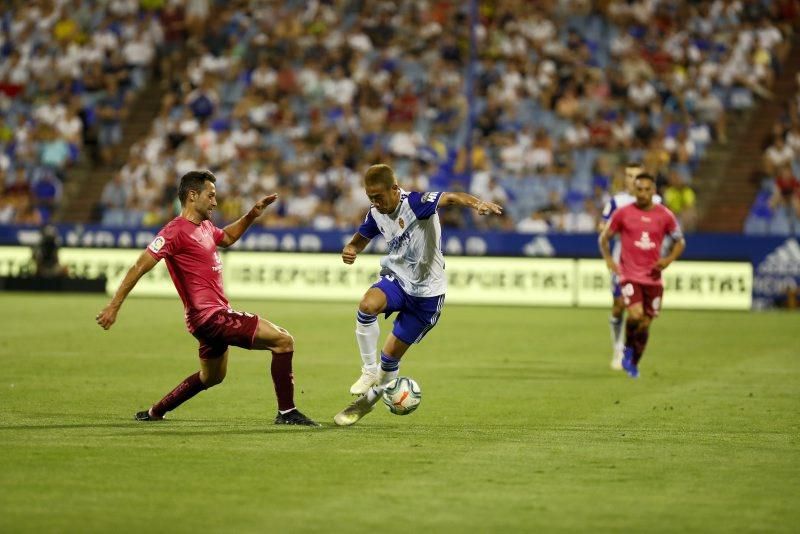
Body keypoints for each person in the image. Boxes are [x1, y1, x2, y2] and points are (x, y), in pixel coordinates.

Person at [96, 170, 318, 426]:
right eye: (210, 195)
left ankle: (156, 412)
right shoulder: (174, 231)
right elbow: (139, 266)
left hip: (207, 321)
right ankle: (287, 412)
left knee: (211, 377)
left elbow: (228, 237)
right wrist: (114, 306)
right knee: (283, 340)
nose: (215, 202)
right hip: (211, 317)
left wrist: (252, 215)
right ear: (192, 196)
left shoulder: (205, 227)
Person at [333, 163, 503, 426]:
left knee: (389, 361)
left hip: (427, 295)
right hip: (398, 279)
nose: (375, 203)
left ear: (394, 188)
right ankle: (368, 371)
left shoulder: (416, 202)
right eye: (371, 198)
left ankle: (365, 403)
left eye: (379, 196)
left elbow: (452, 196)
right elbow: (360, 238)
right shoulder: (376, 212)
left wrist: (477, 204)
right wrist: (351, 248)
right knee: (367, 305)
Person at [598, 172, 685, 379]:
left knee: (645, 322)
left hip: (653, 277)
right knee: (635, 315)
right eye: (639, 189)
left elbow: (680, 241)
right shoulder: (623, 213)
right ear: (634, 191)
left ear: (654, 191)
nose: (643, 193)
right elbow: (604, 238)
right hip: (629, 275)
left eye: (647, 190)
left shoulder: (665, 215)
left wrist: (668, 260)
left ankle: (634, 361)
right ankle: (626, 349)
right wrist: (610, 260)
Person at [598, 162, 662, 370]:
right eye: (628, 175)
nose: (632, 179)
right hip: (622, 263)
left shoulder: (656, 201)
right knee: (619, 305)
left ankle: (629, 349)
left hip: (647, 266)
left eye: (636, 175)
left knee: (640, 314)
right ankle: (617, 347)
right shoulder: (618, 201)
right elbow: (602, 226)